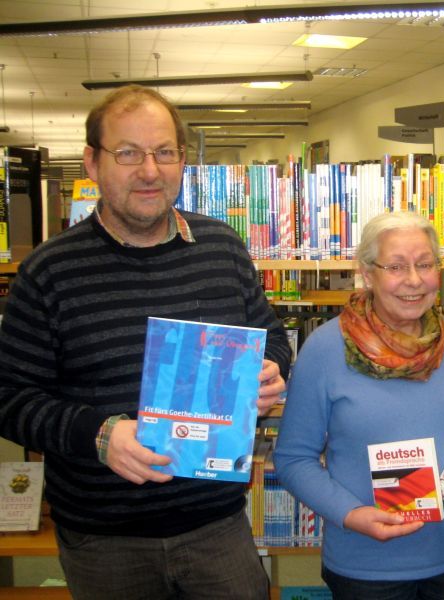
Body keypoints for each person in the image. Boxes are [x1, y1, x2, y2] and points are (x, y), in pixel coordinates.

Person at [0, 85, 292, 599]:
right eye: (128, 153)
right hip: (105, 539)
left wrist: (269, 369)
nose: (150, 171)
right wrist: (98, 434)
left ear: (182, 160)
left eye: (164, 152)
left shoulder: (222, 248)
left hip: (217, 526)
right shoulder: (48, 270)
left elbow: (269, 334)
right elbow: (10, 398)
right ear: (92, 162)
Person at [273, 211, 444, 600]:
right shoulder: (324, 349)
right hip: (368, 564)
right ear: (367, 273)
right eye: (396, 266)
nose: (413, 280)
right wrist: (353, 515)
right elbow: (292, 458)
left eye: (425, 264)